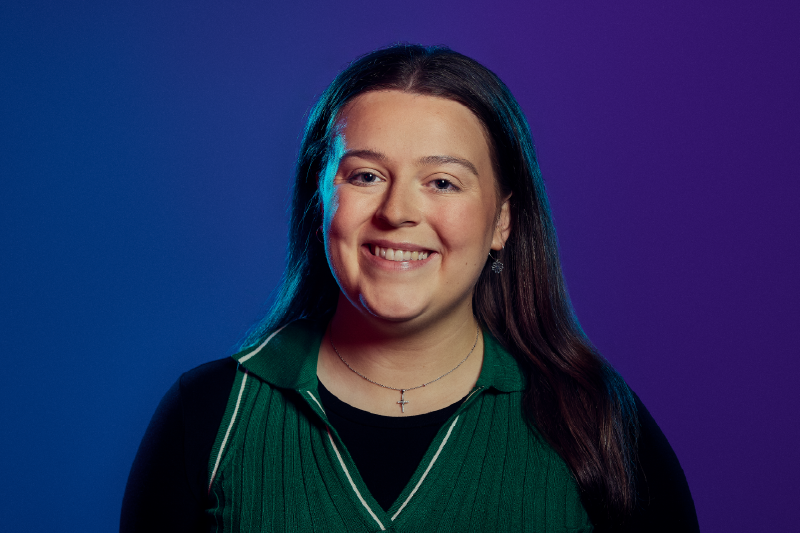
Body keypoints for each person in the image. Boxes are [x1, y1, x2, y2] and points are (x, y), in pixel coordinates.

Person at [121, 44, 699, 532]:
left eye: (443, 182)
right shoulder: (206, 415)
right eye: (366, 175)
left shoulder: (594, 419)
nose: (398, 211)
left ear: (502, 221)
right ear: (322, 199)